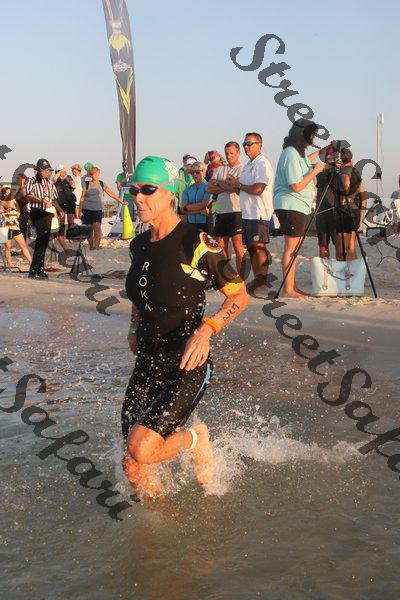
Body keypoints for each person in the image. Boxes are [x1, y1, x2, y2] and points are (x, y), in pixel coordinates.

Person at [122, 155, 249, 499]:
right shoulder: (138, 245)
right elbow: (140, 294)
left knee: (141, 448)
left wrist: (207, 330)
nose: (138, 198)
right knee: (133, 465)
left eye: (148, 190)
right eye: (134, 190)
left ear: (170, 194)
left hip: (187, 365)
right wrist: (133, 329)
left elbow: (240, 296)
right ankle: (158, 525)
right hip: (147, 361)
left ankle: (196, 439)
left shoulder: (196, 242)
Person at [273, 120, 326, 297]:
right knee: (291, 248)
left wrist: (321, 152)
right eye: (312, 134)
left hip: (295, 206)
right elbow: (295, 186)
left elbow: (304, 162)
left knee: (294, 248)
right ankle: (288, 289)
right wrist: (316, 171)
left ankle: (291, 287)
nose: (313, 138)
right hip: (291, 205)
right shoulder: (291, 152)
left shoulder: (296, 153)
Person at [228, 132, 274, 290]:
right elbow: (242, 190)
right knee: (251, 248)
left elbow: (258, 189)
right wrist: (234, 185)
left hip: (259, 213)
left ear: (259, 145)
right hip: (247, 213)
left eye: (249, 144)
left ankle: (262, 283)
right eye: (244, 144)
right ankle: (257, 280)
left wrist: (239, 185)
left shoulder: (262, 164)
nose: (246, 147)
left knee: (259, 248)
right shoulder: (248, 165)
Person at [207, 141, 244, 273]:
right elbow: (209, 188)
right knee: (221, 246)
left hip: (236, 211)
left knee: (238, 246)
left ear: (238, 153)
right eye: (227, 153)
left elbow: (238, 188)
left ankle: (241, 277)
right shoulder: (219, 169)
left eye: (232, 153)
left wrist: (219, 184)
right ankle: (226, 276)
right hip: (221, 211)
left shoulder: (243, 169)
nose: (229, 156)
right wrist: (228, 185)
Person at [25, 158, 61, 279]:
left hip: (48, 213)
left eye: (49, 170)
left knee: (44, 241)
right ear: (40, 170)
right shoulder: (31, 181)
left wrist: (60, 211)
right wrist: (41, 200)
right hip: (37, 211)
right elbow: (27, 196)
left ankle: (35, 269)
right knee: (42, 239)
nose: (48, 172)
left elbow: (54, 199)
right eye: (46, 170)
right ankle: (37, 269)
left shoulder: (49, 182)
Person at [77, 166, 125, 249]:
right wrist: (79, 211)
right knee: (89, 230)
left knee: (97, 229)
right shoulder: (86, 184)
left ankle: (96, 247)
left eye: (98, 174)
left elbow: (111, 194)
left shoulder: (101, 183)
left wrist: (121, 201)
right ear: (91, 175)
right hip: (86, 209)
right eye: (95, 174)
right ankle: (92, 246)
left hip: (97, 210)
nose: (97, 176)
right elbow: (82, 197)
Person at [335, 148, 366, 260]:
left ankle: (346, 269)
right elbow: (363, 196)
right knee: (351, 247)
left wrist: (345, 196)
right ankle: (353, 268)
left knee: (343, 247)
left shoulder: (345, 170)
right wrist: (361, 215)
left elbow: (346, 181)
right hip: (355, 211)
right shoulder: (356, 172)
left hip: (345, 211)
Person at [0, 185, 32, 267]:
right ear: (4, 193)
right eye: (8, 191)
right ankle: (9, 264)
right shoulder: (1, 202)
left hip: (15, 227)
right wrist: (8, 213)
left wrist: (10, 213)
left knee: (23, 245)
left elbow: (19, 212)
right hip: (5, 228)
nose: (10, 193)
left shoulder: (14, 201)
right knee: (8, 248)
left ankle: (31, 262)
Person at [315, 143, 337, 258]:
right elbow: (305, 164)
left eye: (332, 154)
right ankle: (324, 266)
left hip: (335, 211)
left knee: (338, 243)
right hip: (321, 211)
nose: (329, 156)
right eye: (327, 154)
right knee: (322, 244)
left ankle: (340, 265)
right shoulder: (319, 169)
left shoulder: (340, 170)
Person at [181, 162, 211, 232]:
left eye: (197, 172)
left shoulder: (209, 187)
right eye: (192, 172)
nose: (194, 174)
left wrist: (188, 208)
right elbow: (183, 209)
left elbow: (204, 205)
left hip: (206, 224)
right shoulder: (187, 190)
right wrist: (200, 211)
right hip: (191, 224)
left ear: (204, 172)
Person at [54, 165, 76, 233]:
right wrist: (60, 171)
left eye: (64, 171)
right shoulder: (56, 178)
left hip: (70, 200)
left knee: (70, 220)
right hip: (60, 202)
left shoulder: (68, 177)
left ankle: (70, 234)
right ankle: (61, 234)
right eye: (63, 171)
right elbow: (54, 178)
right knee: (61, 220)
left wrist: (67, 178)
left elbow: (73, 186)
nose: (65, 172)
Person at [14, 173, 30, 240]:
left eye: (18, 179)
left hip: (24, 212)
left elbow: (26, 200)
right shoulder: (20, 188)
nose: (17, 180)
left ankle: (23, 244)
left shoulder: (24, 189)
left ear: (23, 179)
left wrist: (17, 200)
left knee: (22, 231)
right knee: (21, 230)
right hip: (21, 211)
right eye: (17, 179)